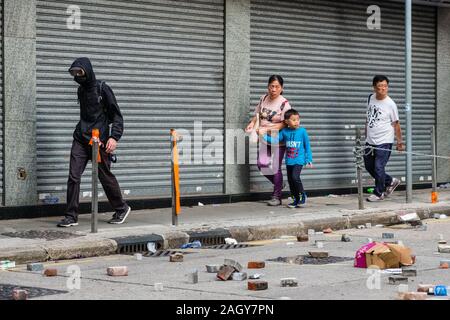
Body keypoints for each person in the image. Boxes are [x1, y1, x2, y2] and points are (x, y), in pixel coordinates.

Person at [57, 57, 131, 227]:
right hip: (80, 139)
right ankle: (71, 216)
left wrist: (114, 137)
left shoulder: (102, 88)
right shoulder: (81, 91)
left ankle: (121, 208)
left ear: (87, 71)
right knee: (73, 176)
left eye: (79, 72)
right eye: (73, 73)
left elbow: (117, 116)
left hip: (100, 141)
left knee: (104, 176)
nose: (76, 76)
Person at [245, 75, 292, 206]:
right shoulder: (263, 98)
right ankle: (279, 183)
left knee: (276, 167)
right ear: (268, 86)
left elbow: (285, 123)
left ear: (281, 88)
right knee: (262, 164)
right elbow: (258, 115)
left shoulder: (284, 104)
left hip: (278, 139)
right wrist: (252, 123)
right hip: (265, 138)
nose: (274, 89)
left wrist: (267, 129)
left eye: (277, 87)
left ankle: (277, 196)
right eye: (271, 86)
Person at [364, 75, 404, 202]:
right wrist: (366, 135)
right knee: (369, 165)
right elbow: (368, 117)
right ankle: (391, 181)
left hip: (385, 140)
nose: (383, 89)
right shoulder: (370, 98)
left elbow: (396, 124)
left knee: (378, 167)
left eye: (385, 86)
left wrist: (399, 142)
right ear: (374, 87)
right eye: (380, 86)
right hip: (370, 140)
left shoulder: (390, 104)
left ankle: (379, 192)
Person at [260, 109, 312, 208]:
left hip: (299, 160)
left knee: (295, 177)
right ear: (287, 121)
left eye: (298, 119)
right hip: (289, 161)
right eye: (293, 120)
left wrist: (308, 159)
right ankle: (295, 199)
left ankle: (302, 195)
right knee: (290, 180)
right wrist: (264, 136)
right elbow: (275, 140)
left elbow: (307, 146)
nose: (296, 122)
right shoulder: (284, 131)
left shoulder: (302, 131)